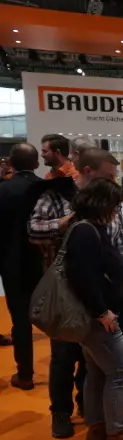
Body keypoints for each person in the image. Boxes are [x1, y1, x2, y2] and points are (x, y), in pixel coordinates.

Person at [30, 147, 123, 438]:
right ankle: (63, 413)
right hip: (72, 302)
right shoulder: (58, 197)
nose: (113, 181)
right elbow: (36, 232)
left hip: (96, 302)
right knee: (66, 358)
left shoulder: (105, 206)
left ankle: (93, 418)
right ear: (90, 171)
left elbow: (120, 244)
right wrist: (70, 220)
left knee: (94, 368)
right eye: (109, 176)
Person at [64, 178, 123, 440]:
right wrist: (101, 312)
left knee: (98, 372)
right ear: (102, 204)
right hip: (99, 319)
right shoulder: (86, 232)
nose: (116, 210)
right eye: (114, 205)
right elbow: (83, 278)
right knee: (120, 373)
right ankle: (116, 436)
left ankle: (98, 428)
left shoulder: (86, 229)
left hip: (95, 317)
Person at [0, 143, 43, 390]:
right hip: (43, 262)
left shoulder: (3, 190)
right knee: (55, 315)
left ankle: (25, 375)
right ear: (36, 163)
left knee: (20, 320)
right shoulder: (46, 189)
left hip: (12, 264)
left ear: (11, 163)